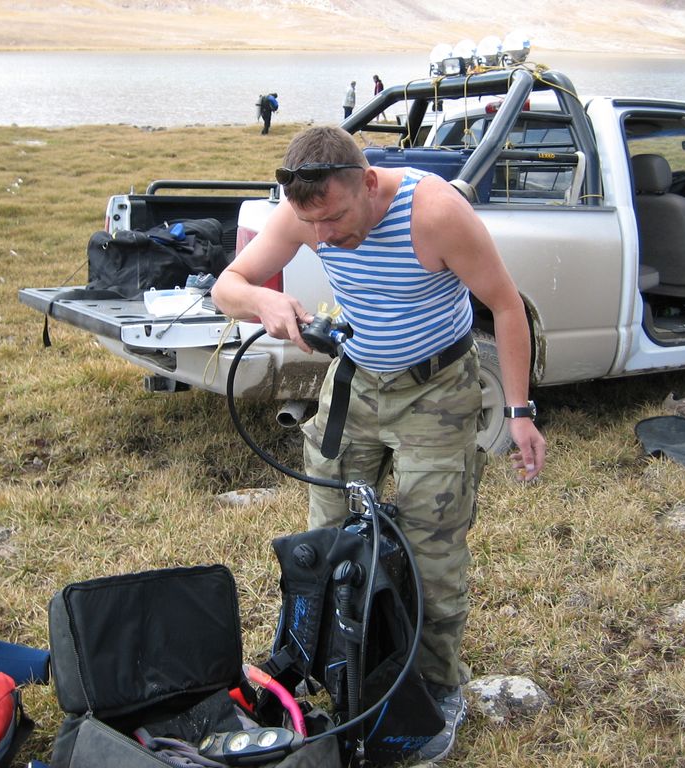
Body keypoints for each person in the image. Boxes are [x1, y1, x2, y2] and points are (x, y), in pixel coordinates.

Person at [211, 126, 546, 763]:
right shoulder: (309, 209)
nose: (324, 236)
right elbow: (227, 284)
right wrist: (260, 300)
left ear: (368, 183)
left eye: (335, 219)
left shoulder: (436, 212)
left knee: (431, 549)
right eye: (314, 225)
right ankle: (323, 663)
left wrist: (520, 411)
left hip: (437, 390)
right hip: (356, 386)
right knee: (326, 537)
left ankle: (438, 687)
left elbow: (506, 306)